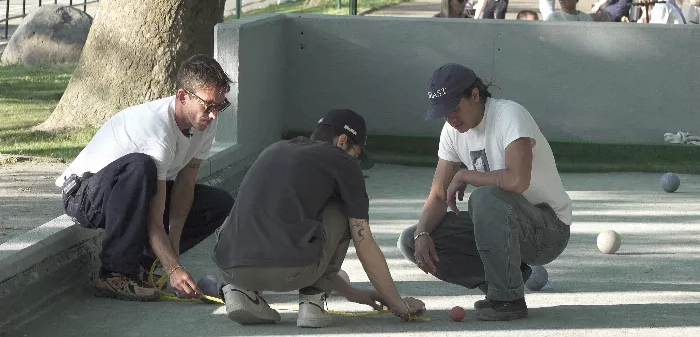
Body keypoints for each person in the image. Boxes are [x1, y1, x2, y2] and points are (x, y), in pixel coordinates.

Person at [213, 109, 426, 328]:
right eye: (357, 153)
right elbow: (365, 245)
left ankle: (239, 293)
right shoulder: (343, 162)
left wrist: (352, 293)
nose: (356, 160)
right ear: (342, 141)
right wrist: (398, 305)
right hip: (291, 271)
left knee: (254, 209)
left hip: (230, 268)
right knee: (345, 208)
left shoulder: (274, 149)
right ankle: (312, 303)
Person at [397, 63, 572, 321]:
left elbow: (517, 181)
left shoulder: (509, 115)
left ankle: (508, 300)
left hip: (547, 229)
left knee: (485, 197)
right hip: (503, 225)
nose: (451, 119)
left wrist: (467, 174)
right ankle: (505, 282)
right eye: (444, 113)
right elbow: (437, 195)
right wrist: (423, 233)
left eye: (454, 108)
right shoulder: (452, 132)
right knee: (412, 240)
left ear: (475, 94)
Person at [56, 55, 235, 302]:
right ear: (183, 96)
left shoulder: (204, 122)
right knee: (142, 167)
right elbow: (154, 217)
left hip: (132, 191)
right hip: (84, 195)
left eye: (220, 106)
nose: (214, 115)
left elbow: (186, 184)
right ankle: (115, 273)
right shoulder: (156, 130)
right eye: (208, 106)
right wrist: (173, 269)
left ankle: (141, 265)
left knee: (219, 203)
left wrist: (173, 251)